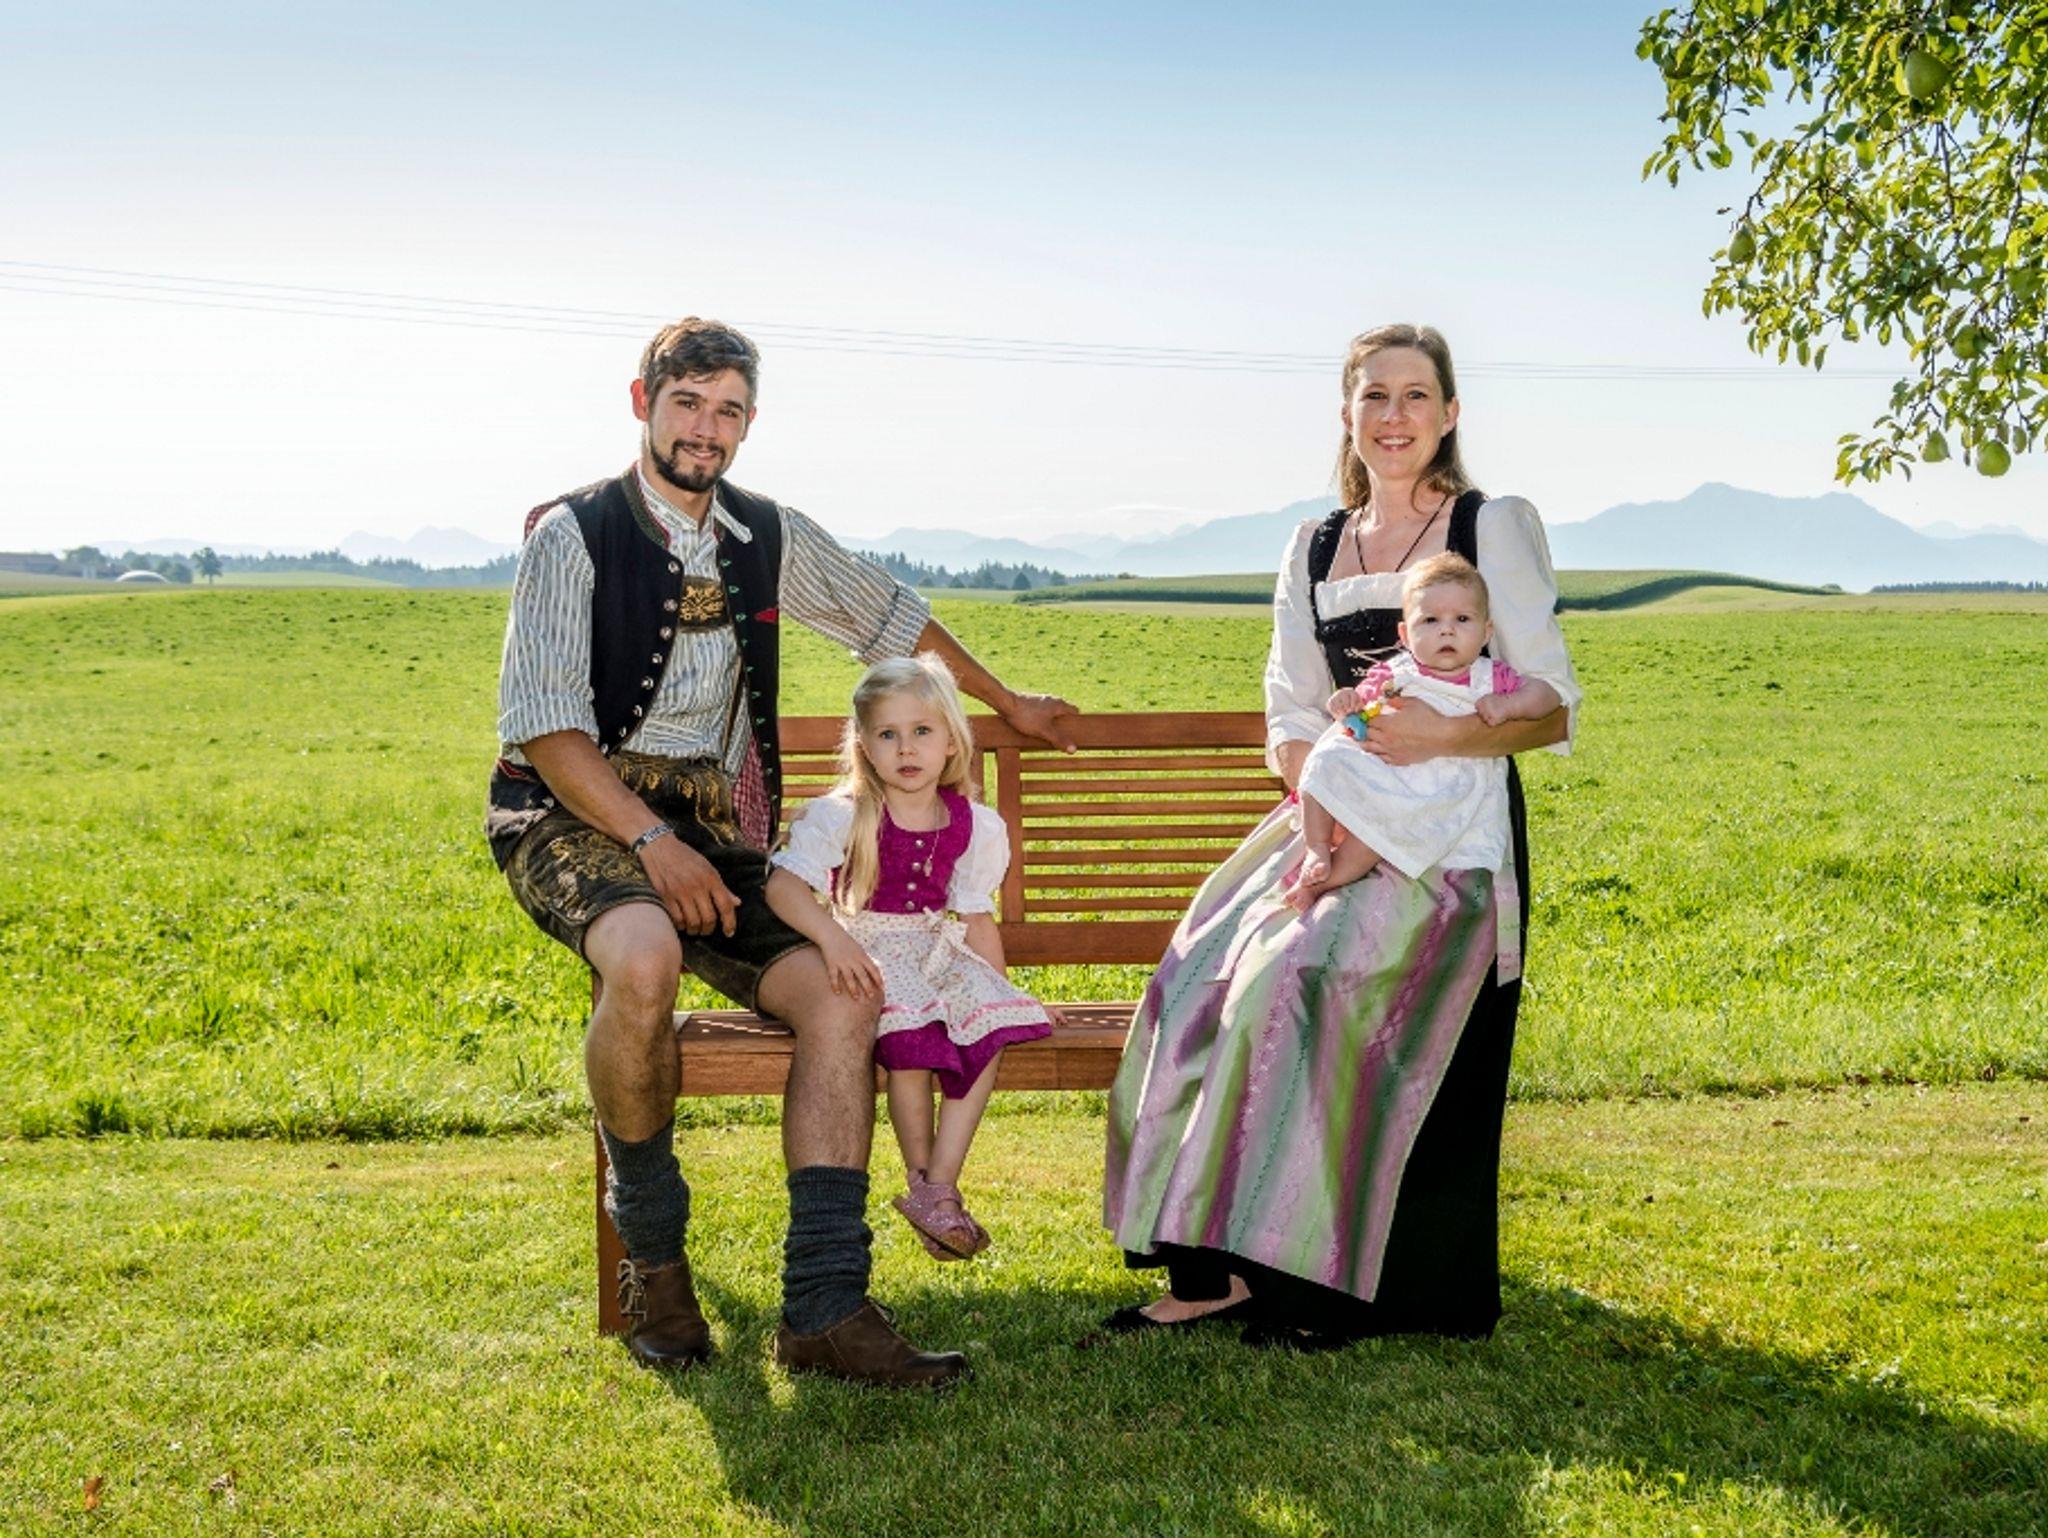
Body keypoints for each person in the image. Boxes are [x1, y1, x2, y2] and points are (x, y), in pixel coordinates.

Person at [485, 317, 1077, 1387]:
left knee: (846, 991)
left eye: (728, 411)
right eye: (686, 404)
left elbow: (890, 620)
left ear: (749, 422)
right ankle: (656, 1264)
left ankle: (823, 1306)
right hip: (569, 814)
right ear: (642, 402)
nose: (704, 430)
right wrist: (651, 841)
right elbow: (546, 727)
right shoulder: (572, 534)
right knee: (643, 959)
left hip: (714, 831)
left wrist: (1005, 703)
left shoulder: (766, 533)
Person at [1100, 323, 1581, 1347]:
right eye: (1374, 395)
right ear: (1347, 413)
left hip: (1447, 838)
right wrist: (1327, 797)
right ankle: (1215, 1266)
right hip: (1334, 811)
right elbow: (1289, 703)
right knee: (1202, 974)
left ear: (1449, 412)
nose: (1394, 416)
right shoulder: (1314, 543)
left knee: (1303, 976)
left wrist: (1437, 735)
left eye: (1416, 395)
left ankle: (1327, 1284)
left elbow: (1551, 708)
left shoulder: (1489, 526)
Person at [765, 656, 1056, 1261]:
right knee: (914, 1044)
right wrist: (833, 939)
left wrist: (998, 993)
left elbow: (974, 916)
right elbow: (784, 889)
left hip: (936, 952)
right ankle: (922, 1181)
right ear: (865, 746)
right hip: (869, 953)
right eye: (888, 734)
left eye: (922, 731)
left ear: (951, 741)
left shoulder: (971, 824)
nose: (906, 748)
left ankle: (940, 1185)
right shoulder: (846, 815)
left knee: (991, 1028)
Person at [1288, 553, 1561, 911]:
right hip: (1386, 773)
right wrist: (1347, 702)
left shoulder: (1492, 678)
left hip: (1438, 790)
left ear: (1486, 632)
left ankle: (1324, 882)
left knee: (1379, 833)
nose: (1446, 630)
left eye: (1462, 619)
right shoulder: (1394, 675)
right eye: (1430, 620)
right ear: (1405, 634)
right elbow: (1361, 709)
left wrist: (1510, 705)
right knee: (1326, 759)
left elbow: (1548, 696)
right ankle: (1317, 848)